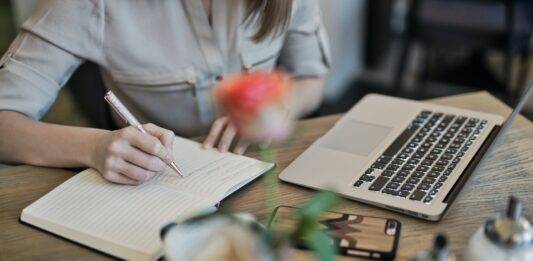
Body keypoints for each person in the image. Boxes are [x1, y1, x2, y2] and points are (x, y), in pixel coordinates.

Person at [0, 0, 330, 185]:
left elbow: (312, 79)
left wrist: (283, 107)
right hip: (155, 184)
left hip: (265, 173)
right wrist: (94, 146)